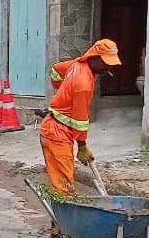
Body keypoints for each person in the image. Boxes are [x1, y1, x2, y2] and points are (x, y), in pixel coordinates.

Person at [41, 39, 122, 196]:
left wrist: (63, 92)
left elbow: (55, 70)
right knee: (63, 182)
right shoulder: (82, 84)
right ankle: (65, 218)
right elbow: (80, 121)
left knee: (61, 179)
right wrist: (82, 147)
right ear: (94, 57)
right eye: (106, 62)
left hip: (54, 129)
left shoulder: (78, 64)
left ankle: (62, 217)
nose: (109, 67)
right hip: (57, 133)